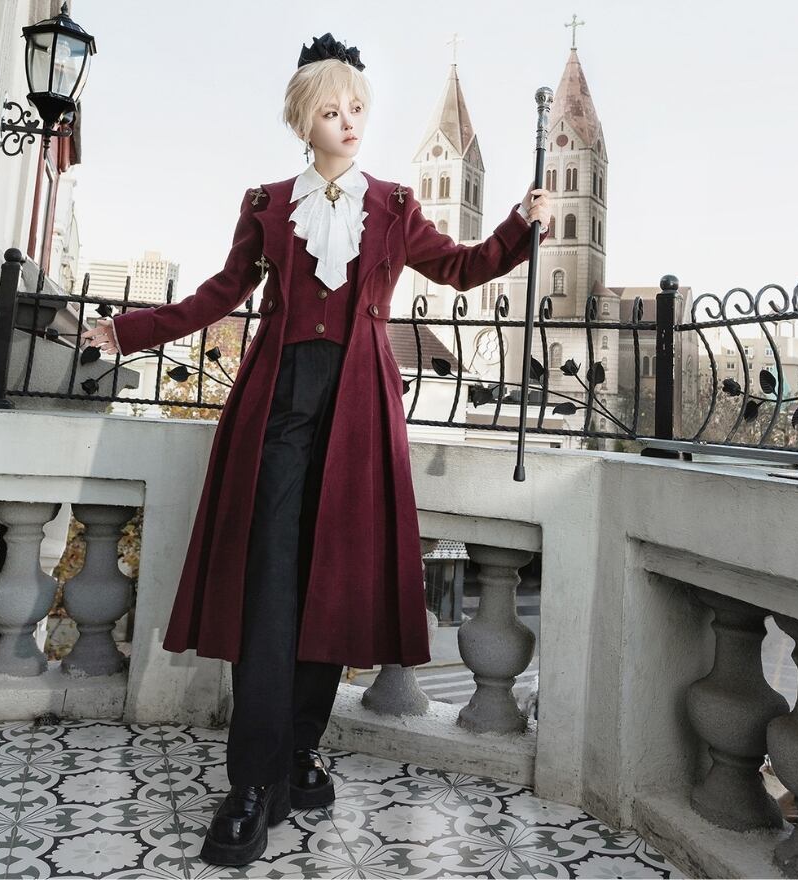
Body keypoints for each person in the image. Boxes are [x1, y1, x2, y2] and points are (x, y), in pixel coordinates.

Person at [81, 31, 550, 868]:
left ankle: (300, 751)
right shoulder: (266, 203)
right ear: (305, 122)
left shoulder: (395, 205)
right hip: (278, 408)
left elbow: (463, 267)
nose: (349, 121)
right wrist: (126, 331)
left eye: (357, 107)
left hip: (362, 410)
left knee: (331, 588)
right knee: (269, 590)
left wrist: (522, 222)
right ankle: (252, 783)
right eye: (332, 111)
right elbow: (218, 295)